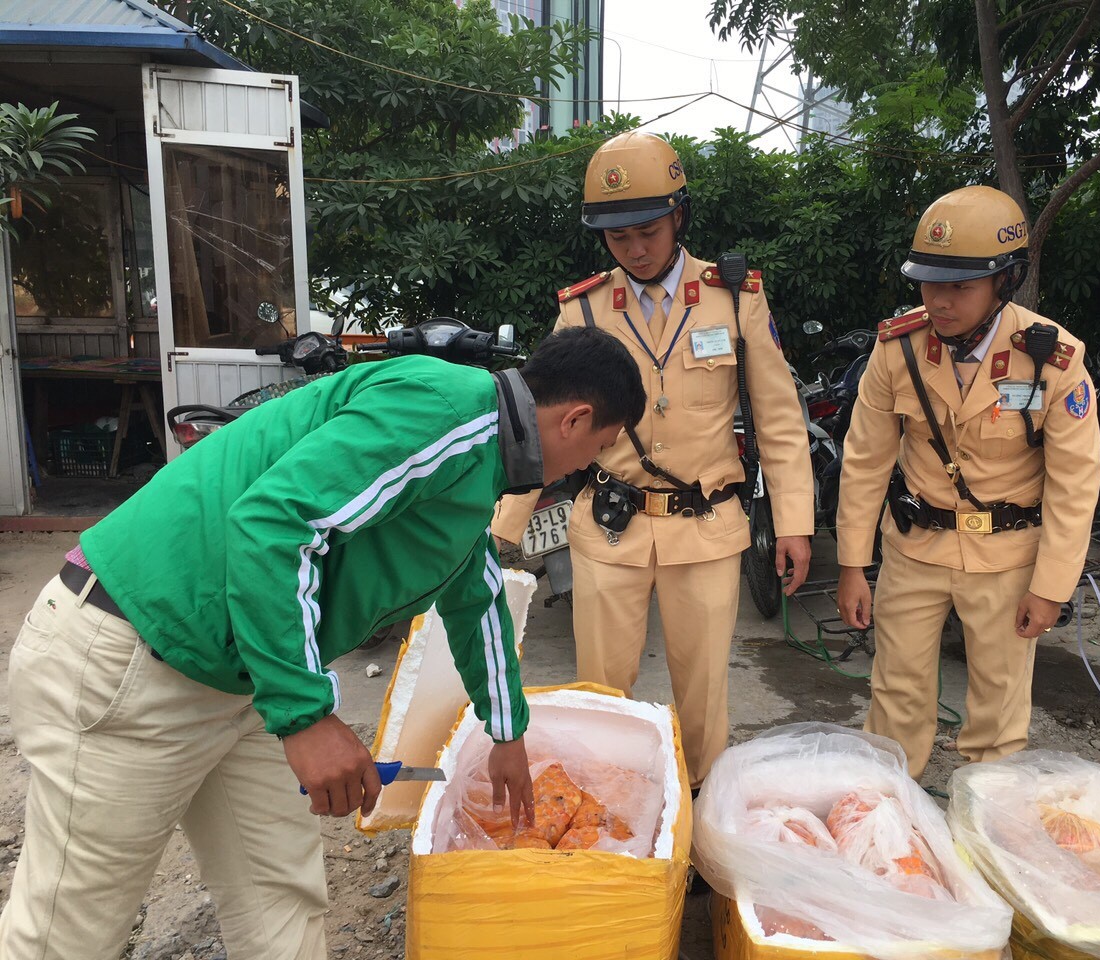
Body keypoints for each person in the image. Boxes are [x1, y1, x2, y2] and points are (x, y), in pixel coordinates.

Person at [0, 326, 646, 960]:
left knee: (280, 898)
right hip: (134, 651)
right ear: (575, 419)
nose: (591, 466)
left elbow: (472, 589)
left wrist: (507, 731)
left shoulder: (481, 464)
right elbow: (274, 524)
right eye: (602, 445)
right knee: (71, 930)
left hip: (241, 675)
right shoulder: (447, 413)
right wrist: (306, 716)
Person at [492, 131, 814, 788]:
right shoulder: (583, 308)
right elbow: (541, 420)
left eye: (648, 230)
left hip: (707, 527)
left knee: (703, 697)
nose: (636, 249)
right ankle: (610, 813)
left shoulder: (735, 296)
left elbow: (780, 416)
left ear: (678, 217)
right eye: (618, 238)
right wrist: (503, 525)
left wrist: (794, 522)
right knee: (601, 692)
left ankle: (700, 831)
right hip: (611, 526)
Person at [835, 185, 1100, 780]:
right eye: (930, 283)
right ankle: (886, 827)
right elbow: (865, 462)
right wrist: (853, 564)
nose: (940, 301)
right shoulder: (898, 348)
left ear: (1004, 281)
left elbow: (1074, 483)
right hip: (915, 550)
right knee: (895, 700)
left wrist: (1052, 586)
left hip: (1008, 559)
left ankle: (988, 833)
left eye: (959, 286)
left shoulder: (1053, 359)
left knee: (998, 720)